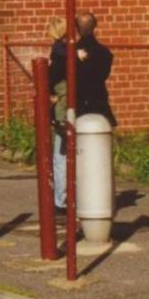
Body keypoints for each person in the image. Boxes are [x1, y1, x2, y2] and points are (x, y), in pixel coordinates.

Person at [47, 11, 116, 213]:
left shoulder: (66, 52)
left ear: (76, 29)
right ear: (96, 27)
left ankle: (64, 199)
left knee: (63, 154)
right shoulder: (105, 54)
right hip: (98, 108)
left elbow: (52, 79)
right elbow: (101, 77)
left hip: (72, 108)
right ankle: (98, 197)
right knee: (98, 154)